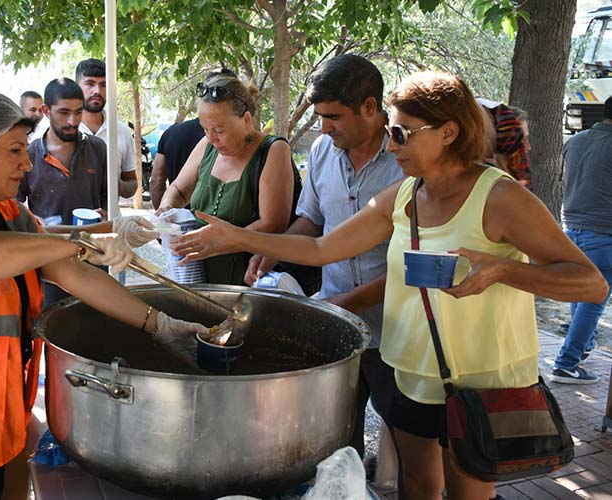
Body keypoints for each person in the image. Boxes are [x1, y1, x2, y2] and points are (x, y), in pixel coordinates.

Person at [175, 71, 608, 499]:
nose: (391, 144)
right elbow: (323, 248)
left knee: (468, 492)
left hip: (482, 379)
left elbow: (591, 285)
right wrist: (237, 237)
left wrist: (504, 270)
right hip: (414, 370)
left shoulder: (499, 197)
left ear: (448, 132)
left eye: (401, 134)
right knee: (416, 487)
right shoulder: (404, 195)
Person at [0, 91, 206, 499]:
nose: (27, 164)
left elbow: (72, 273)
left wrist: (160, 324)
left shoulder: (12, 215)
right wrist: (80, 243)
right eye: (14, 151)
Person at [247, 55, 405, 461]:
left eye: (333, 117)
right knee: (337, 445)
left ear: (369, 107)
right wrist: (273, 252)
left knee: (408, 450)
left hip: (398, 332)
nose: (323, 128)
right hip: (337, 328)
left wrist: (342, 305)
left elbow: (413, 265)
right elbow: (312, 222)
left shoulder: (406, 160)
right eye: (319, 117)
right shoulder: (322, 151)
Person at [159, 72, 294, 285]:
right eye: (205, 129)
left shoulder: (273, 150)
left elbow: (273, 224)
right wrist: (166, 208)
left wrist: (219, 240)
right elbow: (178, 189)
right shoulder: (206, 146)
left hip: (246, 281)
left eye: (219, 130)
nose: (211, 138)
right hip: (196, 279)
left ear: (246, 120)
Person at [552, 96, 612, 384]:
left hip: (571, 229)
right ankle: (567, 364)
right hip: (603, 232)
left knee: (582, 292)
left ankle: (584, 346)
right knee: (594, 297)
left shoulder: (575, 142)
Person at [17, 78, 107, 225]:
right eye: (64, 113)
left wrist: (106, 215)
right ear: (46, 111)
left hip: (90, 237)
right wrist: (31, 219)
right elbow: (13, 203)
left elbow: (107, 194)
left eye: (78, 112)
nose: (72, 121)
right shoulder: (28, 155)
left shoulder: (98, 148)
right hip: (47, 238)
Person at [75, 58, 138, 199]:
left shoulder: (121, 130)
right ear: (77, 87)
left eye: (103, 85)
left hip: (110, 213)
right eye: (90, 84)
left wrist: (115, 184)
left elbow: (132, 183)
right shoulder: (63, 129)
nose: (97, 91)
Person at [150, 117, 205, 209]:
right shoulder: (218, 136)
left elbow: (156, 179)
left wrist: (161, 212)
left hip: (176, 211)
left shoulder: (171, 132)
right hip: (208, 213)